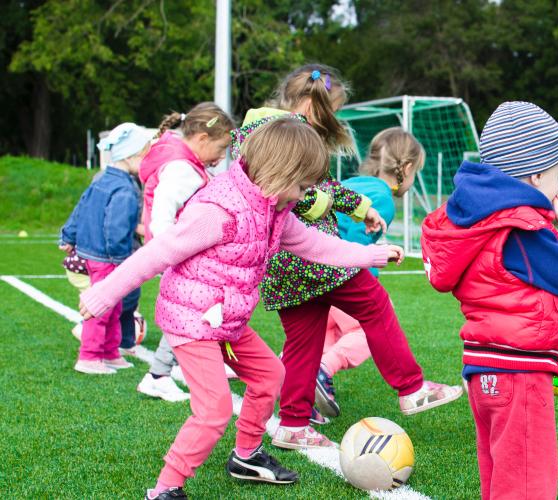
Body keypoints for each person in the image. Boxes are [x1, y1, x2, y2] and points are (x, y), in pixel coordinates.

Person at [78, 118, 404, 500]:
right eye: (301, 187)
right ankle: (166, 487)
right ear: (279, 173)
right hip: (192, 321)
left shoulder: (274, 210)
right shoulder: (219, 210)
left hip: (226, 319)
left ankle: (246, 456)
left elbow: (317, 246)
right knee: (214, 411)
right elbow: (158, 253)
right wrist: (103, 295)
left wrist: (372, 254)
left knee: (270, 377)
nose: (302, 197)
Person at [233, 64, 463, 451]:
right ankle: (411, 388)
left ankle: (292, 423)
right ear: (310, 104)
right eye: (331, 111)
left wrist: (361, 209)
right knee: (374, 304)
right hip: (311, 256)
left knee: (304, 342)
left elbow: (321, 185)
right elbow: (290, 191)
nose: (332, 120)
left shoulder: (265, 128)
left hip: (283, 265)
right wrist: (327, 206)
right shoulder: (281, 133)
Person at [420, 101, 558, 500]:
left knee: (502, 479)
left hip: (484, 370)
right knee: (528, 486)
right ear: (534, 175)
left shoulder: (478, 218)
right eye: (556, 175)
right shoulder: (519, 225)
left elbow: (501, 287)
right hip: (520, 374)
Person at [313, 127, 425, 420]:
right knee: (366, 330)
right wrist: (369, 267)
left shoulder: (353, 183)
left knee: (325, 332)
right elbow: (354, 240)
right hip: (339, 273)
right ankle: (322, 371)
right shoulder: (384, 200)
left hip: (312, 269)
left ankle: (292, 376)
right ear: (408, 168)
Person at [136, 102, 236, 403]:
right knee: (190, 313)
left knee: (198, 310)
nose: (221, 159)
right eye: (220, 148)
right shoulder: (182, 170)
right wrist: (174, 253)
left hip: (180, 253)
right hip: (179, 255)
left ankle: (173, 368)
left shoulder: (184, 161)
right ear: (202, 139)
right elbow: (162, 217)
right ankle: (158, 375)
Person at [60, 122, 155, 375]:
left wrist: (68, 234)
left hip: (96, 253)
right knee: (103, 307)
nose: (146, 162)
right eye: (145, 156)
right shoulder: (125, 188)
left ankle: (110, 353)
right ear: (132, 156)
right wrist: (122, 260)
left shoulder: (102, 179)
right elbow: (116, 227)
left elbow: (80, 207)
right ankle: (89, 356)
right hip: (109, 257)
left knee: (114, 305)